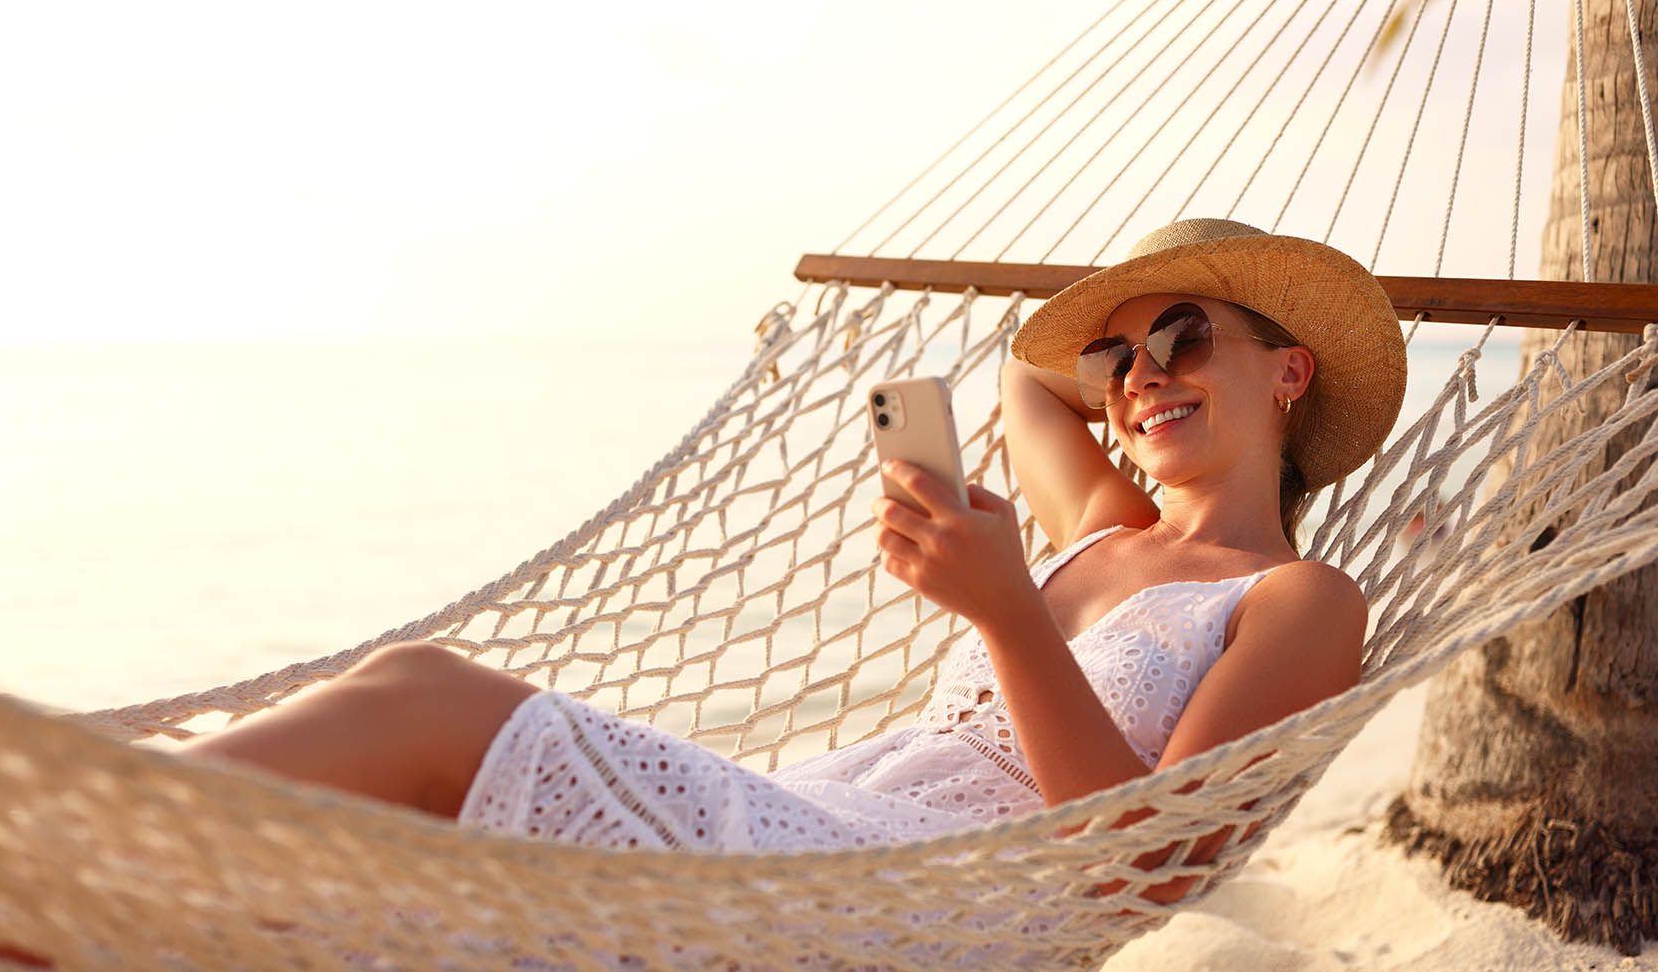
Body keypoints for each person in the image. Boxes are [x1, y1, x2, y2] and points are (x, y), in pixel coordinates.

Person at [175, 217, 1407, 868]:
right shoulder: (1099, 526)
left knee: (424, 699)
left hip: (935, 900)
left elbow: (1148, 862)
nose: (1140, 378)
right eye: (1116, 359)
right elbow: (1026, 383)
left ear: (1289, 369)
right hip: (823, 816)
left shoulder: (1297, 600)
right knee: (390, 839)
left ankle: (48, 842)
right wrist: (1127, 350)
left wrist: (1005, 613)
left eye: (1185, 337)